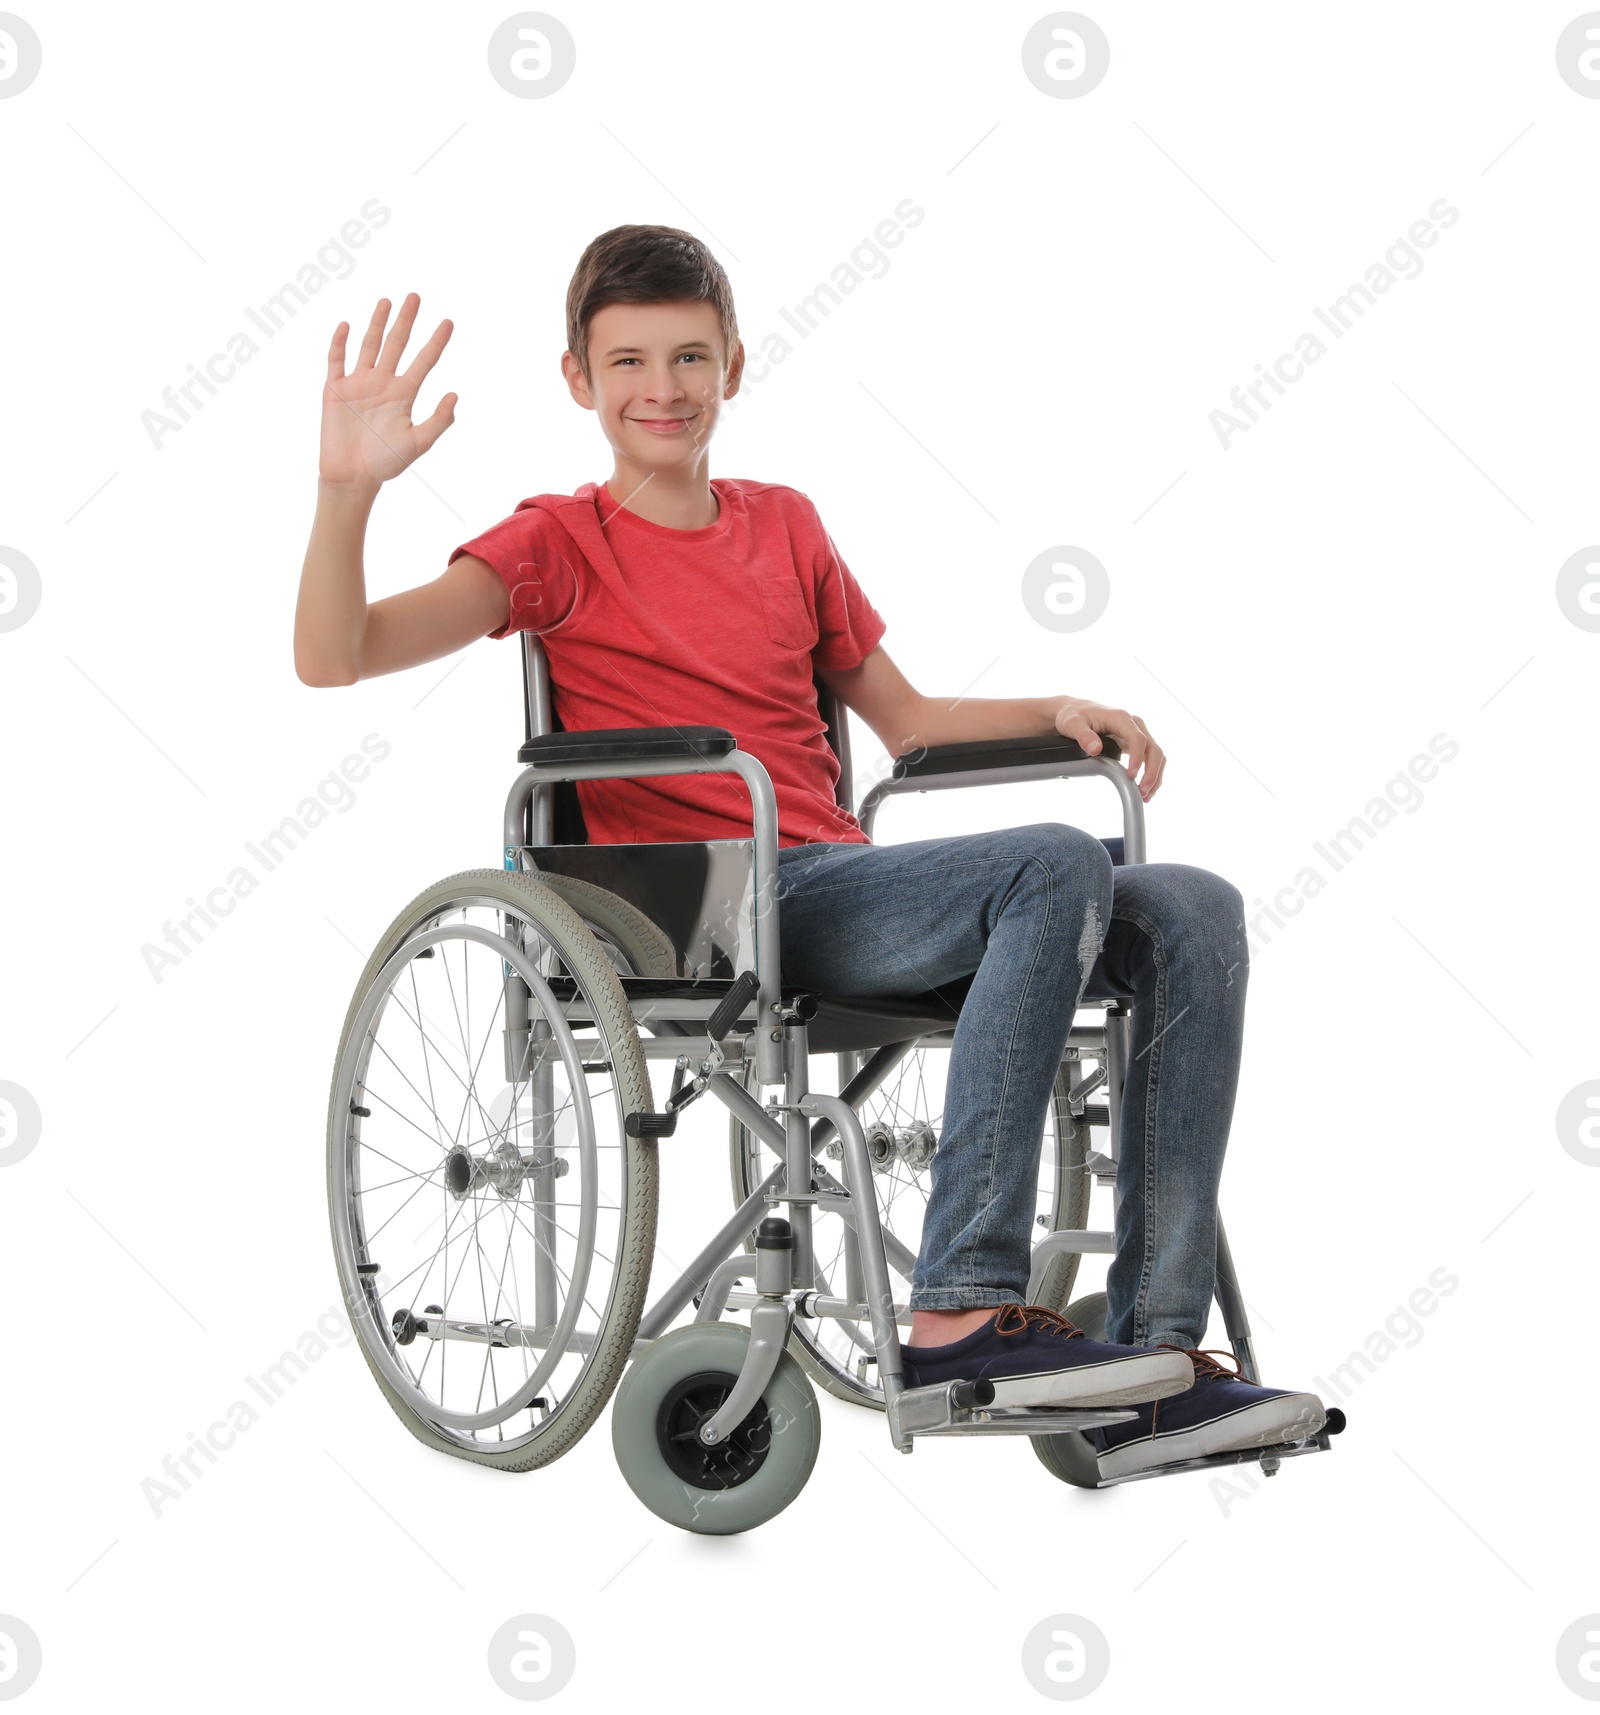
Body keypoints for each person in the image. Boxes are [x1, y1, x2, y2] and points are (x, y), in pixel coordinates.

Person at [293, 224, 1326, 1480]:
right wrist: (349, 489)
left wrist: (1054, 708)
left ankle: (1155, 1361)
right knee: (1052, 861)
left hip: (834, 879)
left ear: (733, 361)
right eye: (627, 362)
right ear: (577, 378)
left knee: (1189, 905)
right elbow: (334, 654)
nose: (661, 388)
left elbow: (904, 721)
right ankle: (958, 1311)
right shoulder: (552, 542)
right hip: (703, 907)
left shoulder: (785, 526)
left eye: (687, 356)